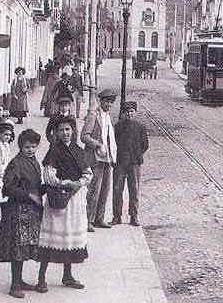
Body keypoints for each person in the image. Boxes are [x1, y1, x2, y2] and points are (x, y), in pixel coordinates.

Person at [35, 118, 91, 291]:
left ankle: (67, 275)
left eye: (68, 129)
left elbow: (88, 173)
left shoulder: (78, 151)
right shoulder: (54, 151)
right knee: (52, 237)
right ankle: (41, 278)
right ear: (56, 133)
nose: (65, 133)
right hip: (58, 199)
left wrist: (79, 183)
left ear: (73, 131)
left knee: (69, 238)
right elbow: (49, 176)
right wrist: (67, 184)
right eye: (61, 130)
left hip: (75, 201)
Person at [0, 129, 44, 299]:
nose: (30, 150)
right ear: (20, 147)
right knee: (17, 247)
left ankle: (20, 281)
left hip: (31, 212)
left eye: (33, 146)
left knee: (25, 247)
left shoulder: (34, 162)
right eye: (27, 147)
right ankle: (15, 284)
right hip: (17, 211)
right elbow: (8, 188)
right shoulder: (16, 163)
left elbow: (36, 185)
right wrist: (30, 195)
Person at [81, 89, 118, 231]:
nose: (109, 105)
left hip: (107, 157)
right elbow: (84, 136)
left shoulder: (108, 117)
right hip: (95, 158)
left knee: (105, 189)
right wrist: (97, 144)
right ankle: (88, 220)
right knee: (94, 190)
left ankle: (99, 218)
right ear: (101, 101)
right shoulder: (93, 116)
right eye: (107, 101)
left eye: (111, 102)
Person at [113, 101, 149, 226]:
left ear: (135, 113)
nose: (129, 114)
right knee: (117, 189)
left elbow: (145, 145)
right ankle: (117, 216)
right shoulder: (117, 126)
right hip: (120, 162)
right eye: (127, 112)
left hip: (134, 163)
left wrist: (137, 154)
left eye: (131, 111)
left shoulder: (140, 127)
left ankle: (134, 216)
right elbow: (114, 143)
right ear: (124, 113)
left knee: (134, 190)